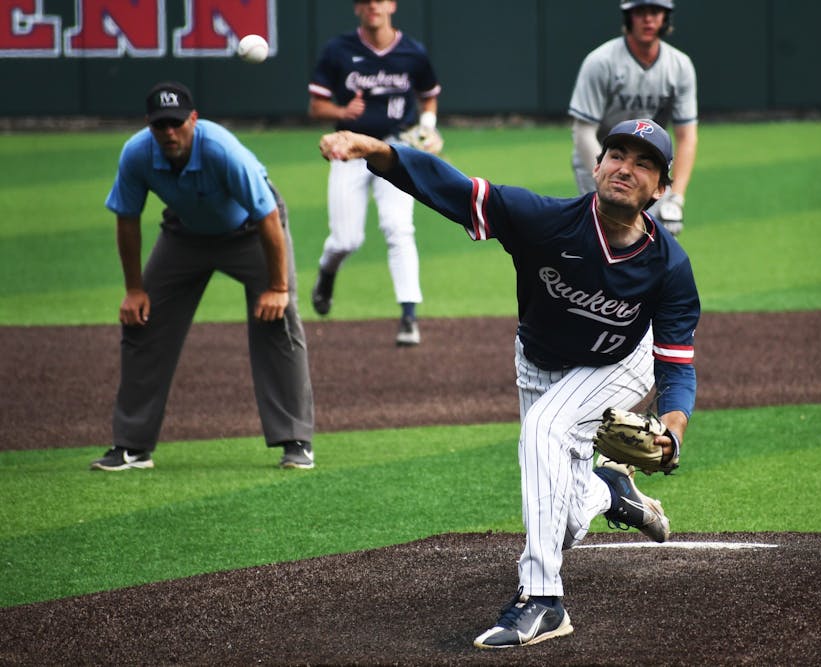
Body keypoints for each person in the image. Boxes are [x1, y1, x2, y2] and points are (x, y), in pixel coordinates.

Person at [318, 117, 699, 648]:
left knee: (544, 429)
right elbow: (448, 188)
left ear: (660, 188)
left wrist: (673, 429)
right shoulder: (543, 219)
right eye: (616, 154)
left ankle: (543, 601)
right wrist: (374, 150)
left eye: (643, 162)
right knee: (563, 521)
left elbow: (676, 363)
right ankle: (607, 490)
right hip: (539, 365)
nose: (624, 168)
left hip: (618, 365)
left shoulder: (670, 266)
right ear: (597, 164)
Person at [91, 81, 315, 472]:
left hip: (251, 231)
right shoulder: (137, 153)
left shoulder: (220, 149)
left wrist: (278, 288)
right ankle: (132, 446)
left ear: (194, 119)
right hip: (185, 235)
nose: (170, 132)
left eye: (177, 123)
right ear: (149, 125)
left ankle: (296, 440)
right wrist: (134, 289)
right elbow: (126, 219)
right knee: (143, 321)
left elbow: (267, 216)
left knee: (278, 319)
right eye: (161, 126)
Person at [307, 0, 442, 346]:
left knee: (399, 228)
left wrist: (427, 128)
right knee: (346, 239)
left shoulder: (412, 52)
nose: (373, 7)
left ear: (391, 5)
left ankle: (409, 316)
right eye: (365, 2)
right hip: (349, 149)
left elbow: (428, 97)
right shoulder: (338, 50)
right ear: (357, 8)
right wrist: (341, 110)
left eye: (379, 0)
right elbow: (316, 106)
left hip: (395, 151)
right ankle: (327, 272)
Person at [568, 0, 698, 237]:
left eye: (655, 11)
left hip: (649, 163)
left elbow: (686, 136)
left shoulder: (679, 66)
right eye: (640, 12)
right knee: (606, 236)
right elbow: (583, 132)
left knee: (653, 241)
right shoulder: (601, 62)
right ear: (628, 17)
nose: (648, 19)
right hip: (601, 159)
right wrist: (602, 175)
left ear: (665, 17)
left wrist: (675, 198)